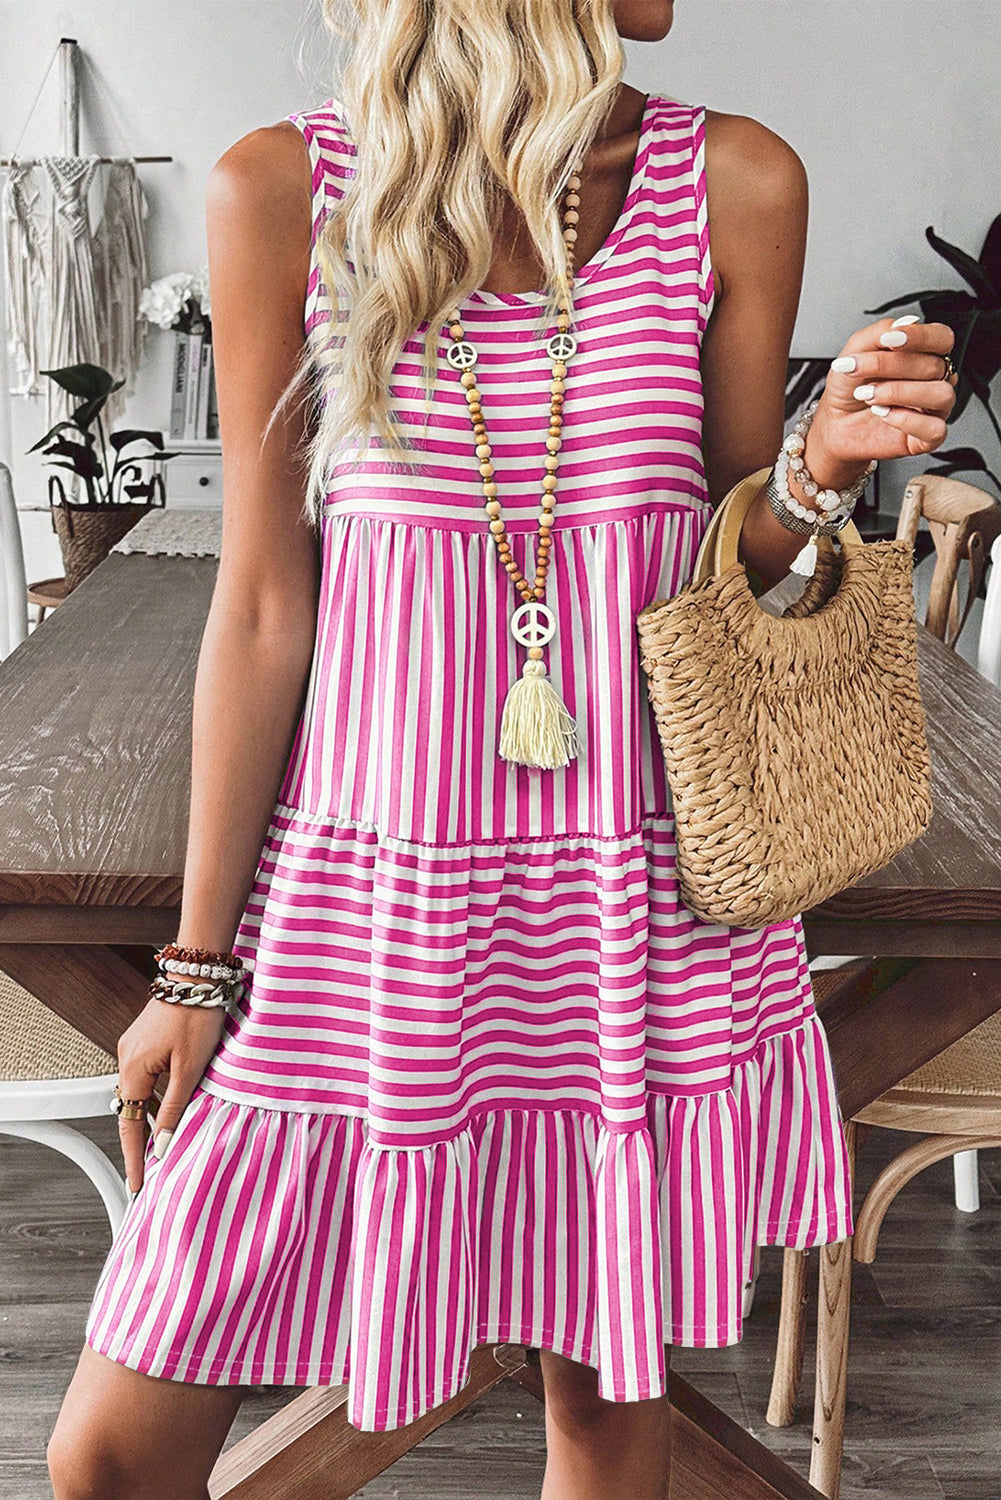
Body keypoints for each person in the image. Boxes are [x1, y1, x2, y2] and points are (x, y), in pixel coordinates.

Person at [46, 0, 957, 1496]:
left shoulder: (733, 179)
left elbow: (737, 557)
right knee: (111, 1462)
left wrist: (816, 468)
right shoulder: (282, 190)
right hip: (368, 909)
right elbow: (266, 610)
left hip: (637, 907)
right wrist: (198, 970)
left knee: (604, 1422)